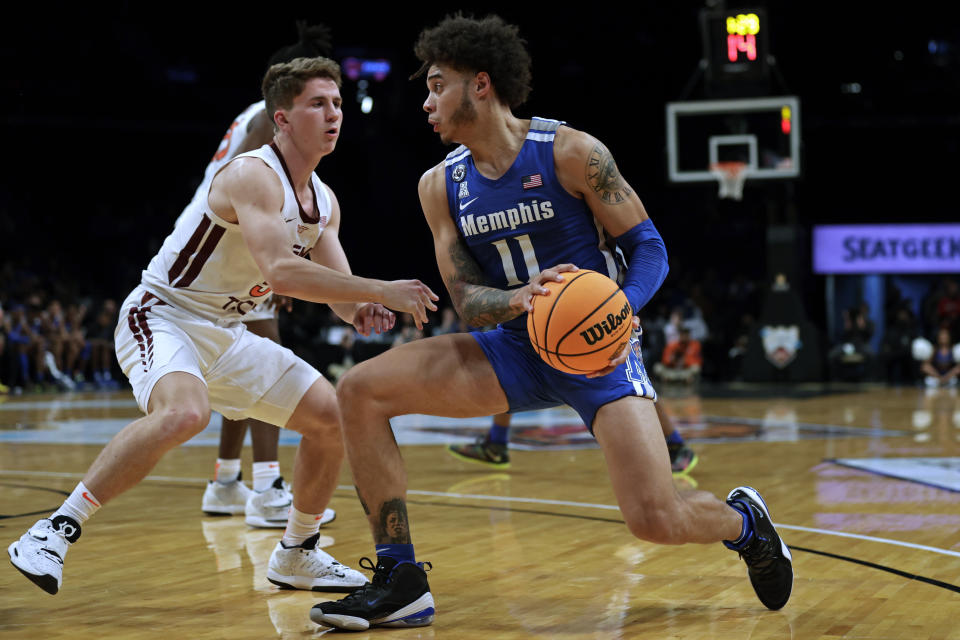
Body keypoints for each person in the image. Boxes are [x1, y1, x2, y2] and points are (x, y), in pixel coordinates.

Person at [310, 14, 792, 631]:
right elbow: (466, 297)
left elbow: (651, 248)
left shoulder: (572, 153)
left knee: (655, 519)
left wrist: (621, 307)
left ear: (480, 85)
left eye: (436, 85)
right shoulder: (439, 186)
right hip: (512, 346)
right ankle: (400, 575)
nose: (426, 103)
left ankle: (746, 525)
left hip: (598, 349)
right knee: (359, 389)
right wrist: (517, 301)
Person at [8, 56, 439, 596]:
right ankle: (52, 530)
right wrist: (379, 290)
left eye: (338, 104)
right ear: (281, 118)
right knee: (186, 413)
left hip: (227, 332)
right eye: (317, 104)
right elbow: (281, 270)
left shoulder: (323, 201)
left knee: (333, 417)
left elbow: (337, 287)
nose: (333, 114)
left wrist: (363, 309)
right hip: (165, 314)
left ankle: (297, 553)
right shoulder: (252, 174)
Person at [197, 22, 336, 529]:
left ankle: (226, 480)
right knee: (269, 366)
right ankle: (268, 486)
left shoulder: (248, 116)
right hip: (232, 249)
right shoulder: (265, 129)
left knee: (239, 370)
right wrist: (279, 267)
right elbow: (257, 199)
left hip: (224, 247)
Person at [448, 401, 699, 474]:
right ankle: (496, 443)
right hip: (542, 306)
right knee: (503, 372)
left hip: (596, 305)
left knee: (631, 382)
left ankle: (675, 444)